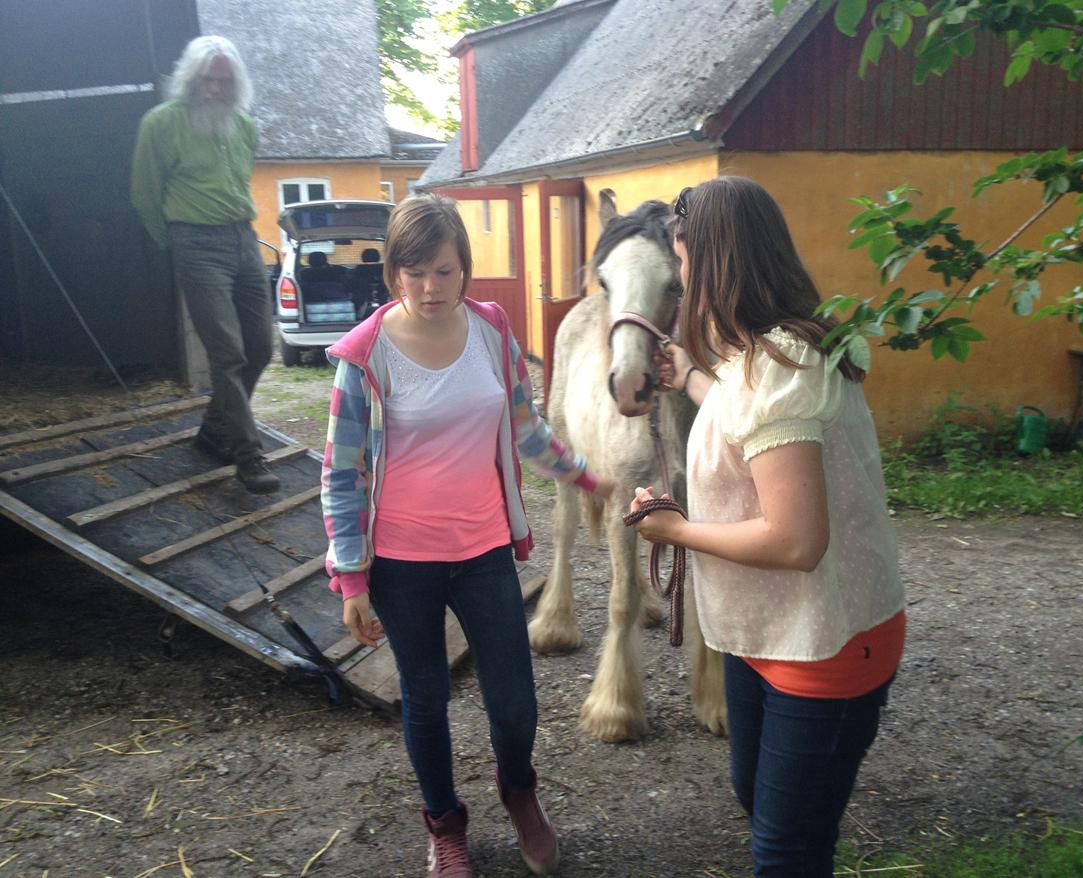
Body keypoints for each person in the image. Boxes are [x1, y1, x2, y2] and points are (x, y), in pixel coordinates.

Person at [320, 194, 614, 878]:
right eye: (413, 271)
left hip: (483, 552)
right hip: (401, 564)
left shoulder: (490, 330)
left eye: (444, 271)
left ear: (465, 272)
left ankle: (519, 792)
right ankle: (445, 824)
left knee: (514, 698)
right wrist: (352, 579)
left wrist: (585, 477)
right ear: (393, 271)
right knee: (425, 699)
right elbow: (341, 473)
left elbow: (525, 429)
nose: (428, 287)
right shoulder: (363, 356)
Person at [628, 176, 905, 877]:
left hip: (822, 645)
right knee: (761, 800)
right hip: (776, 632)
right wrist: (689, 377)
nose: (684, 281)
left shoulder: (782, 370)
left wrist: (674, 530)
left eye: (686, 263)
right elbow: (743, 408)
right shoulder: (772, 355)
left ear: (717, 262)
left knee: (786, 850)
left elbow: (795, 539)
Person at [131, 35, 279, 494]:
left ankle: (215, 432)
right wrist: (178, 245)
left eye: (223, 81)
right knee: (228, 353)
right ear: (191, 79)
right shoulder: (161, 123)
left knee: (260, 346)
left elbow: (236, 186)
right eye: (207, 80)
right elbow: (145, 195)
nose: (214, 89)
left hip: (242, 238)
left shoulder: (244, 127)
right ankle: (248, 455)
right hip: (195, 242)